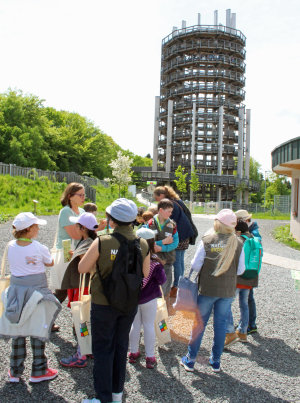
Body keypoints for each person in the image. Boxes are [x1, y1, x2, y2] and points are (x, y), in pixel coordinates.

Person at [78, 198, 150, 403]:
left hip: (103, 302)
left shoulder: (102, 241)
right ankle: (117, 394)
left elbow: (82, 268)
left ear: (112, 219)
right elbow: (144, 273)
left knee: (102, 349)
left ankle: (102, 398)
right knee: (120, 346)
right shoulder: (142, 243)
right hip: (129, 303)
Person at [181, 209, 245, 373]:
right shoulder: (238, 242)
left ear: (218, 223)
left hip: (207, 289)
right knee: (220, 325)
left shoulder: (208, 239)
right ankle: (215, 361)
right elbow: (240, 270)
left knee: (199, 324)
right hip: (227, 290)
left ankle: (190, 359)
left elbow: (195, 265)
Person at [0, 212, 61, 383]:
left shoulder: (10, 245)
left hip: (16, 292)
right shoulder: (39, 247)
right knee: (37, 330)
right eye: (35, 226)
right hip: (37, 293)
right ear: (28, 229)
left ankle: (15, 371)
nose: (38, 229)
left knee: (18, 331)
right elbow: (49, 262)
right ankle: (39, 370)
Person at [60, 212, 99, 368]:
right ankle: (88, 349)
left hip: (84, 287)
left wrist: (79, 256)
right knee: (88, 320)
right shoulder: (92, 241)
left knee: (82, 320)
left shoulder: (88, 243)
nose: (75, 227)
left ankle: (80, 355)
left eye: (77, 225)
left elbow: (88, 265)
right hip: (88, 287)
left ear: (83, 228)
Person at [129, 227, 166, 369]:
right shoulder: (155, 263)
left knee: (135, 325)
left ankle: (133, 353)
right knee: (149, 325)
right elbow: (162, 281)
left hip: (133, 298)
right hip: (149, 298)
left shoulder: (130, 259)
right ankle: (150, 356)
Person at [52, 183, 85, 331]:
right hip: (66, 253)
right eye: (80, 195)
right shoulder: (66, 212)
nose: (83, 197)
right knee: (62, 289)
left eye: (84, 194)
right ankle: (46, 319)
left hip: (78, 253)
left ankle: (76, 322)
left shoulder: (82, 211)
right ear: (70, 196)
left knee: (77, 288)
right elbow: (76, 235)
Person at [153, 186, 195, 298]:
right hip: (185, 235)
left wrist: (162, 241)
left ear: (161, 196)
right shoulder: (177, 201)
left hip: (179, 235)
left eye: (157, 198)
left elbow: (169, 224)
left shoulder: (170, 205)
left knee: (176, 261)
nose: (157, 201)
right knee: (180, 261)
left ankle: (176, 287)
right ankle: (179, 285)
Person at [224, 220, 259, 346]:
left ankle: (230, 332)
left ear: (238, 231)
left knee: (226, 304)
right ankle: (243, 332)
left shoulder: (239, 241)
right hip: (250, 278)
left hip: (238, 278)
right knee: (244, 304)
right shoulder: (255, 240)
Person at [235, 209, 262, 334]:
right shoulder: (253, 231)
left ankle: (249, 324)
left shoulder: (252, 233)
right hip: (251, 270)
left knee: (247, 299)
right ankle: (247, 324)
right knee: (247, 298)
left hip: (246, 270)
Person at [147, 198, 179, 299]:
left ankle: (164, 309)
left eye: (171, 212)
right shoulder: (150, 223)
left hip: (167, 261)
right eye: (168, 211)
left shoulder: (172, 225)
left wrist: (161, 248)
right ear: (161, 210)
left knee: (165, 288)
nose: (170, 214)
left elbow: (175, 243)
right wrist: (163, 242)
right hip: (151, 261)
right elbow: (145, 241)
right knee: (151, 288)